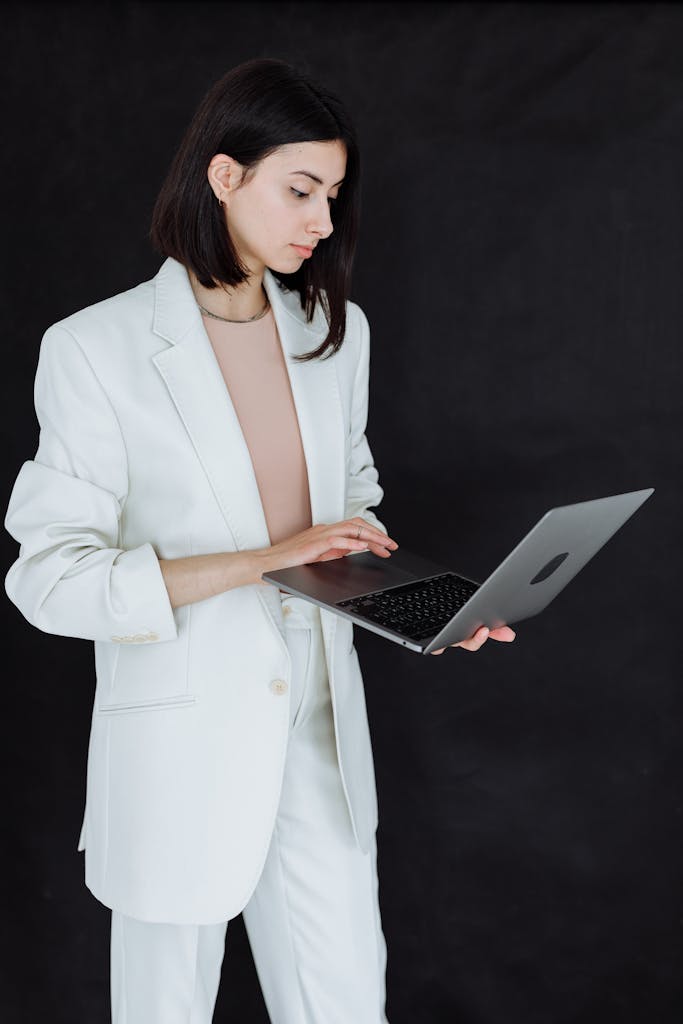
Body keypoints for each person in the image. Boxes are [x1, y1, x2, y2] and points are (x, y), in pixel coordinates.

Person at [4, 57, 515, 1024]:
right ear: (224, 175)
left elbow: (345, 512)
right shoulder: (94, 350)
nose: (322, 221)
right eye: (299, 190)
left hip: (321, 738)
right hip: (178, 748)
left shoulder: (336, 332)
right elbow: (51, 580)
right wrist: (261, 562)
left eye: (332, 194)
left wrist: (424, 604)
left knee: (345, 1006)